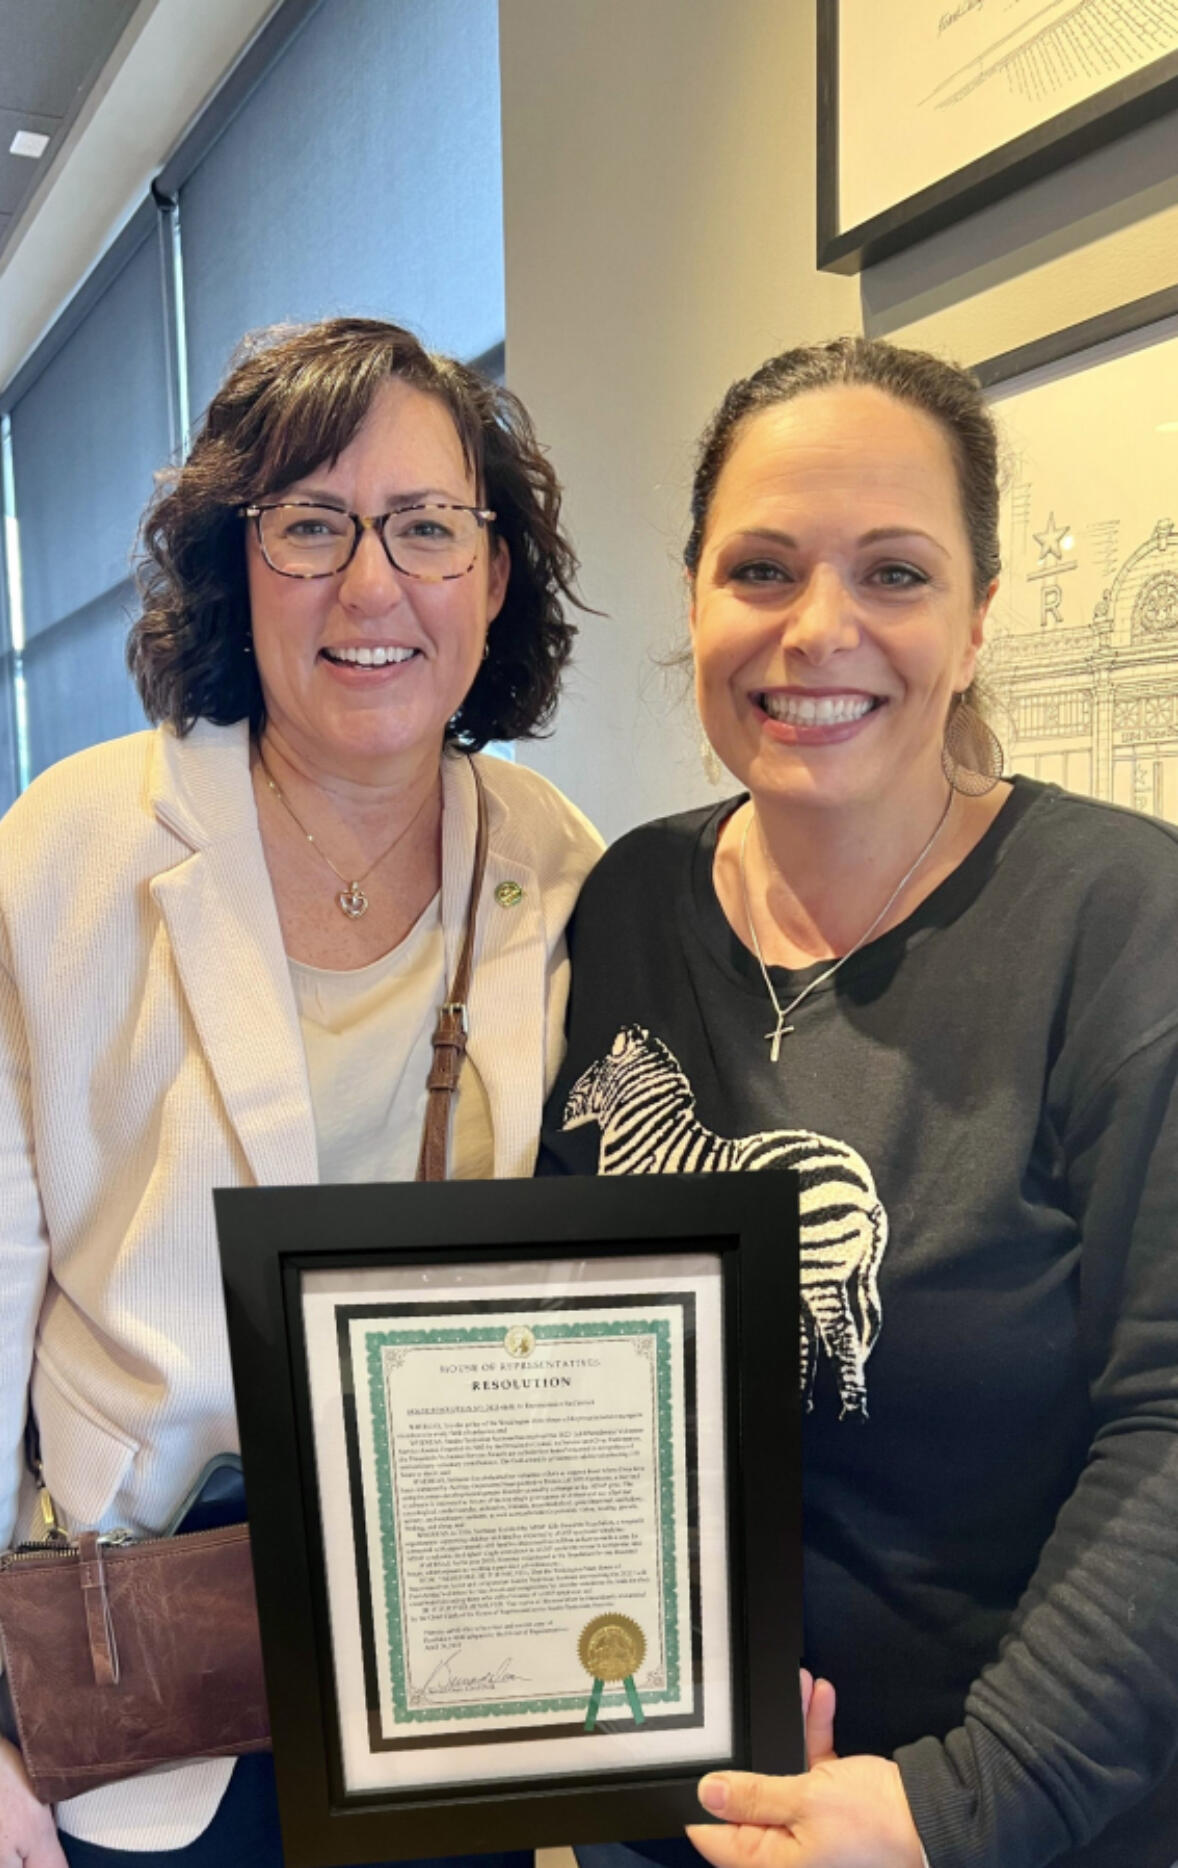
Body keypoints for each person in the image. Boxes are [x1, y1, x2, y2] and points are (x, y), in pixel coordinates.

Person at [0, 317, 602, 1866]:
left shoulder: (560, 861)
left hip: (461, 1665)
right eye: (310, 525)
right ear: (233, 567)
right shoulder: (69, 855)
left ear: (493, 573)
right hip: (147, 1675)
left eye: (427, 526)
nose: (371, 586)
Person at [540, 336, 1178, 1868]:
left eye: (893, 573)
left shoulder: (1123, 920)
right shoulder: (626, 904)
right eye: (760, 570)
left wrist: (948, 1806)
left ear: (974, 625)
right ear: (693, 598)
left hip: (1003, 1823)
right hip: (672, 1800)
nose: (816, 630)